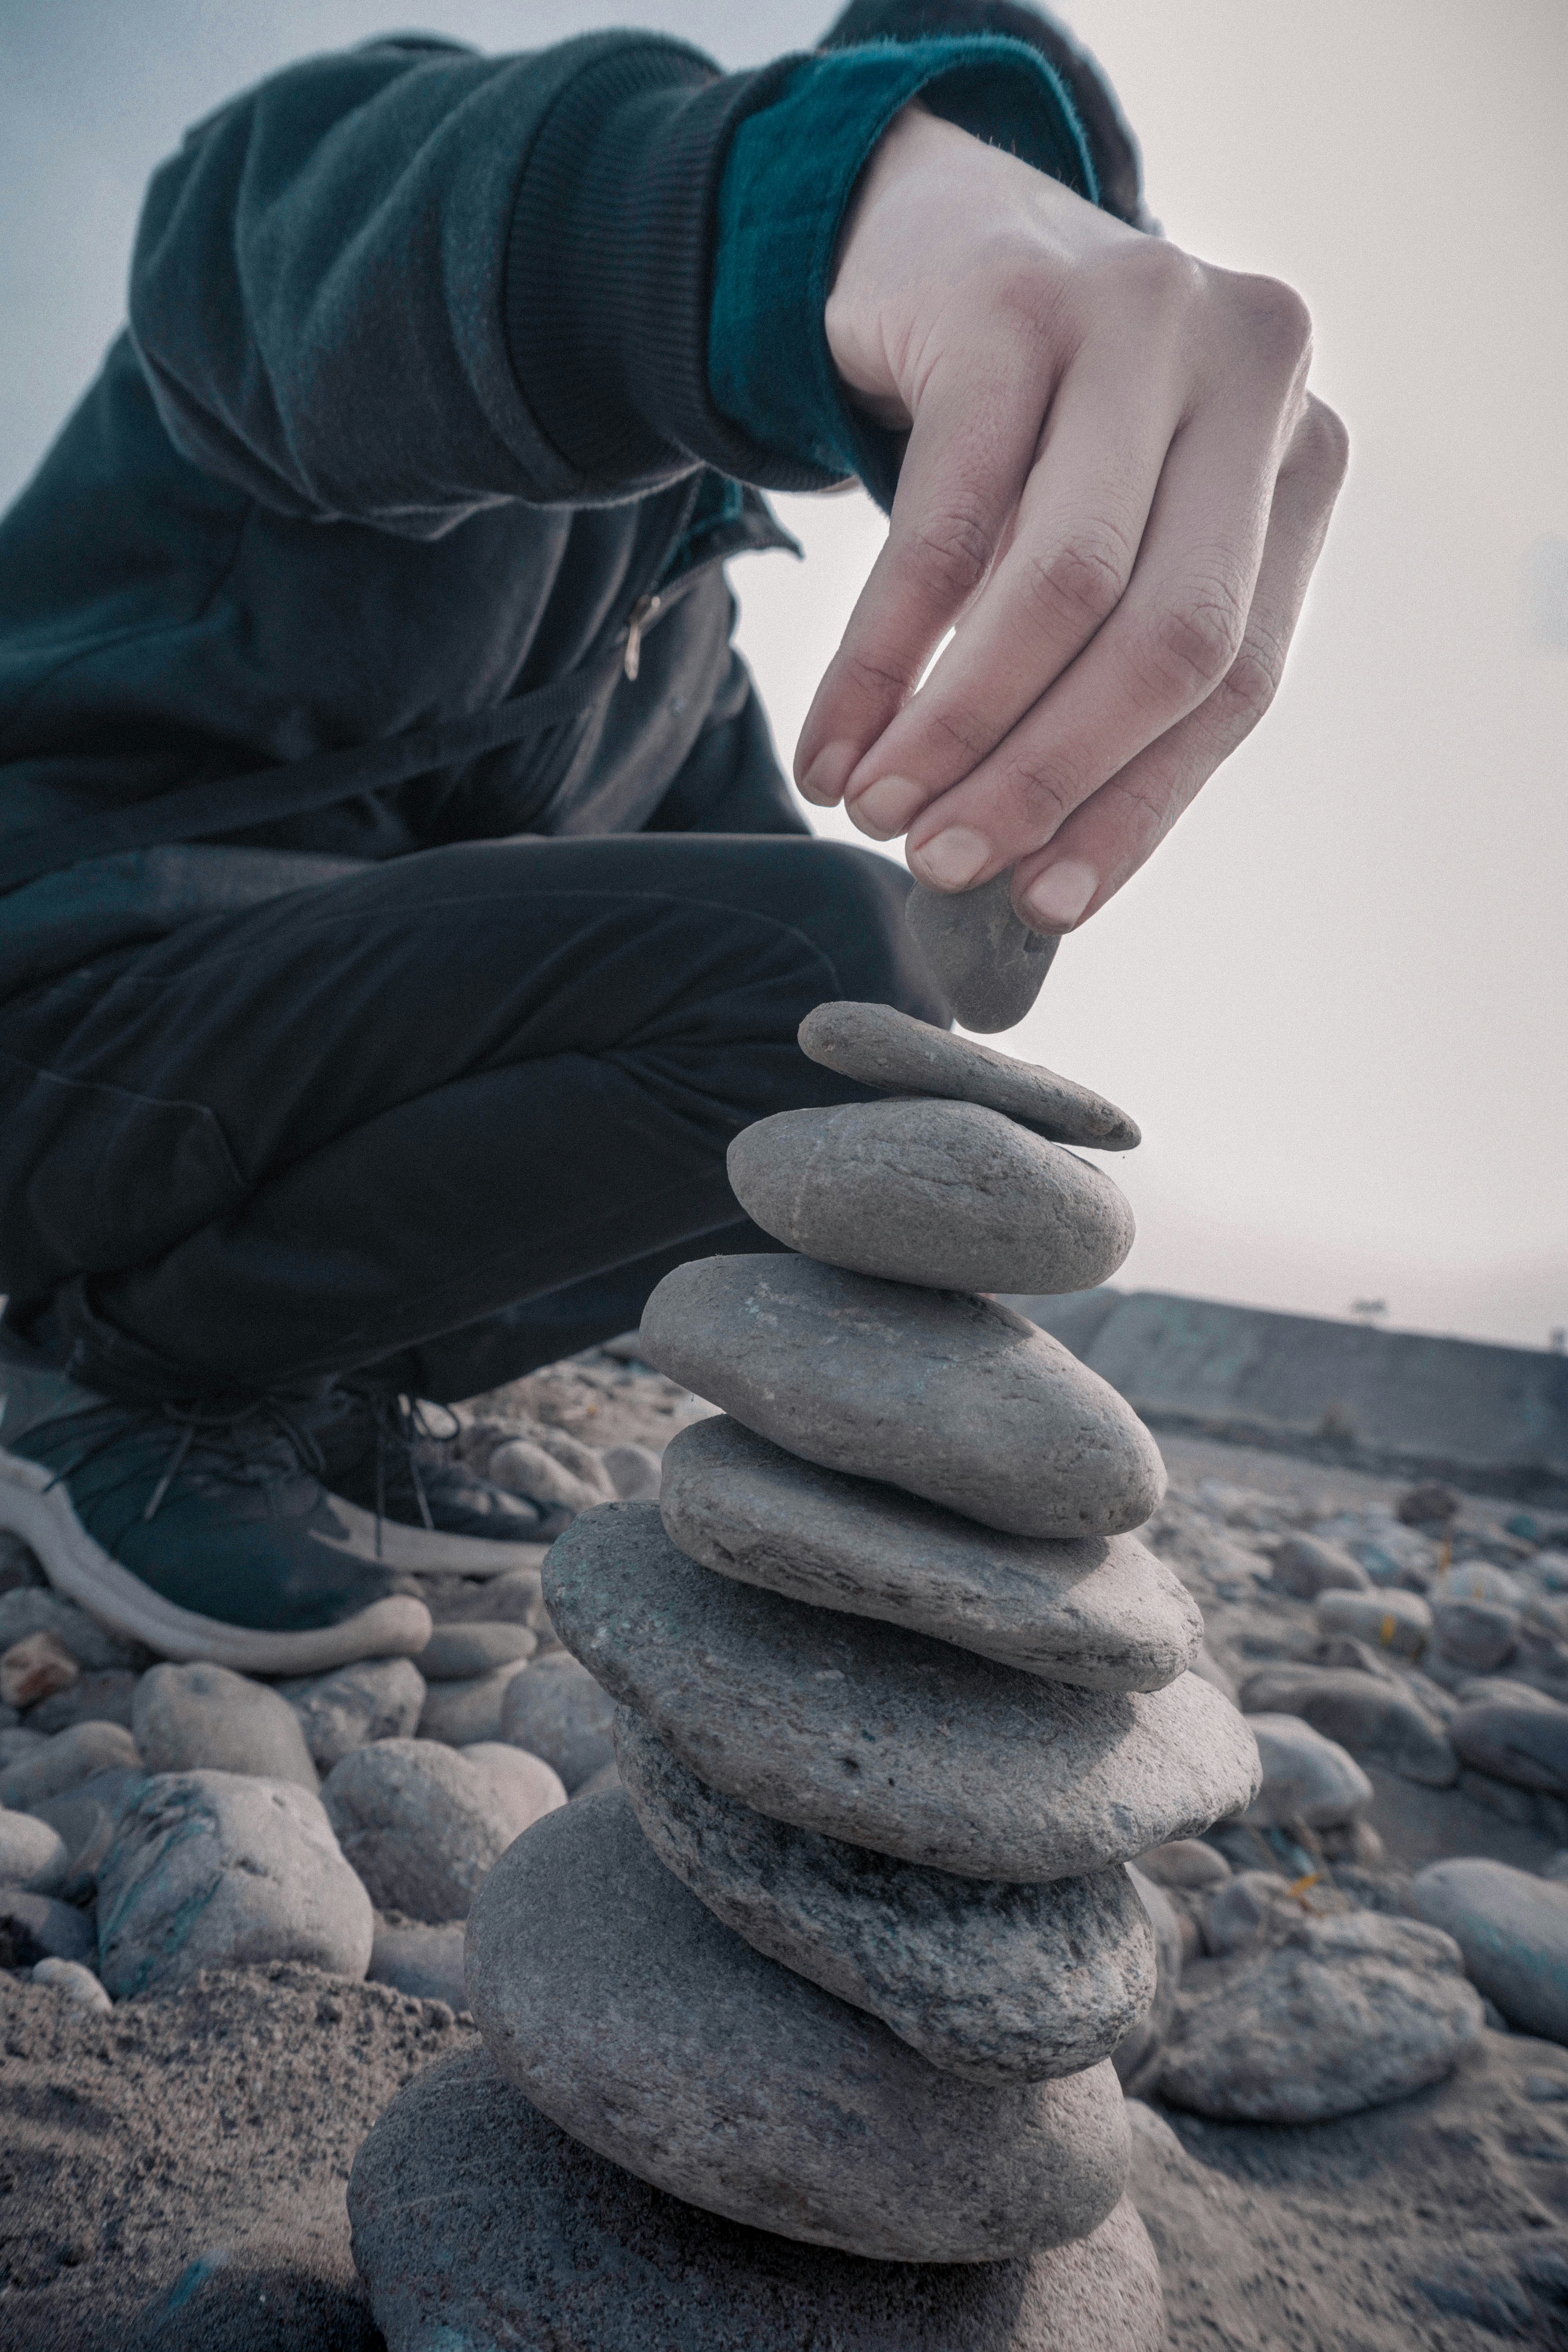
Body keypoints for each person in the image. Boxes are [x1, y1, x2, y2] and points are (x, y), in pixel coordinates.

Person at [0, 0, 1346, 1671]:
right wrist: (816, 205)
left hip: (230, 1085)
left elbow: (788, 1004)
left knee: (860, 1056)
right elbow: (321, 224)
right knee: (830, 976)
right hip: (56, 1011)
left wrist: (972, 898)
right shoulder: (403, 206)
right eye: (1023, 240)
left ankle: (303, 1362)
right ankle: (125, 1376)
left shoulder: (680, 626)